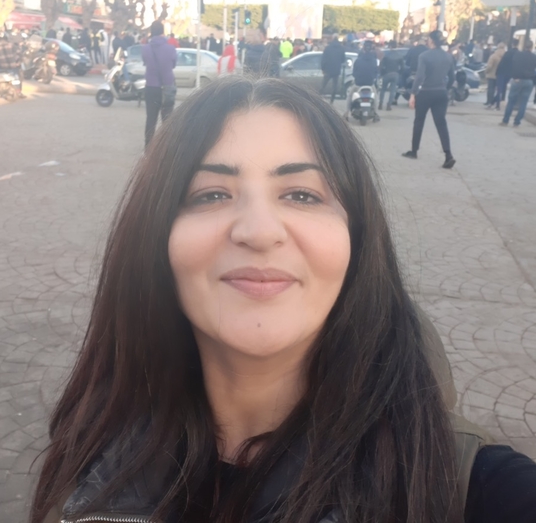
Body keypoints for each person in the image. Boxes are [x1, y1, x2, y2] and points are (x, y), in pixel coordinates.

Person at [32, 77, 536, 523]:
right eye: (211, 194)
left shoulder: (471, 485)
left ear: (357, 239)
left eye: (301, 195)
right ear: (154, 238)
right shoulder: (90, 449)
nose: (258, 231)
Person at [402, 30, 455, 168]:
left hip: (426, 92)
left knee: (419, 121)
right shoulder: (448, 57)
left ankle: (414, 151)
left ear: (431, 40)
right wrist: (445, 88)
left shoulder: (424, 56)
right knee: (441, 123)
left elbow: (419, 76)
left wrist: (413, 94)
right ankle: (448, 155)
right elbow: (452, 77)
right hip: (441, 93)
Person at [141, 20, 177, 147]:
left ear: (151, 32)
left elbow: (145, 62)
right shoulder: (171, 48)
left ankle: (148, 148)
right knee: (167, 121)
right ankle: (165, 148)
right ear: (162, 32)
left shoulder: (145, 48)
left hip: (151, 87)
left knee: (151, 119)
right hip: (167, 87)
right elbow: (173, 64)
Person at [499, 39, 536, 127]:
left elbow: (513, 66)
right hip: (529, 81)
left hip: (517, 79)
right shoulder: (534, 57)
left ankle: (505, 120)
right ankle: (517, 122)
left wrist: (514, 77)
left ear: (524, 46)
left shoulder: (518, 55)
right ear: (532, 47)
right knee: (523, 103)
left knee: (511, 101)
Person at [346, 40, 378, 119]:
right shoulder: (374, 61)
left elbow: (354, 73)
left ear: (363, 48)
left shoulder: (358, 60)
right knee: (375, 97)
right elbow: (376, 72)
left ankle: (346, 113)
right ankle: (376, 114)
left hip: (358, 84)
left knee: (350, 96)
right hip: (370, 83)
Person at [0, 33, 26, 98]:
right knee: (19, 76)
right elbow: (19, 54)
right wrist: (18, 62)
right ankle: (19, 92)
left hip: (2, 67)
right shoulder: (12, 45)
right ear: (6, 38)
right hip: (13, 66)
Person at [493, 38, 519, 109]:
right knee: (503, 88)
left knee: (499, 89)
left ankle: (497, 105)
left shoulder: (508, 52)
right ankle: (493, 102)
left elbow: (502, 62)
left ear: (512, 44)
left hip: (502, 72)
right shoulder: (518, 53)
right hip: (509, 73)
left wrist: (497, 72)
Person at [320, 35, 346, 103]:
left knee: (323, 85)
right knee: (334, 86)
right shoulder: (341, 48)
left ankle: (319, 97)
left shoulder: (328, 48)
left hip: (328, 69)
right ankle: (332, 100)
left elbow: (323, 59)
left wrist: (323, 68)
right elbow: (343, 60)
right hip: (336, 70)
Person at [378, 40, 402, 111]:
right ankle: (389, 105)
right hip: (395, 74)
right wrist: (399, 73)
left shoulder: (386, 55)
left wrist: (382, 73)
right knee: (393, 90)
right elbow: (402, 67)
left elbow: (381, 65)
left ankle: (380, 104)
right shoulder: (399, 55)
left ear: (390, 46)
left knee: (383, 89)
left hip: (387, 73)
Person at [484, 43, 505, 107]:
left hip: (491, 74)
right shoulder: (505, 56)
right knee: (498, 90)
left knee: (491, 89)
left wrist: (486, 71)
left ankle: (489, 101)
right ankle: (496, 102)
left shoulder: (493, 56)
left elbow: (489, 66)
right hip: (500, 75)